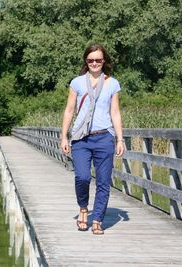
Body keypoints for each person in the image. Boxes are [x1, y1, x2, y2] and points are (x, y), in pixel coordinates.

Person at [60, 44, 125, 235]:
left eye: (98, 60)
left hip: (104, 137)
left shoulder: (112, 83)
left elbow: (115, 112)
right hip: (81, 138)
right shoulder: (77, 83)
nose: (94, 63)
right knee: (82, 176)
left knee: (103, 181)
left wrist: (120, 139)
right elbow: (69, 110)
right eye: (90, 60)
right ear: (86, 62)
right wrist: (64, 136)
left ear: (104, 61)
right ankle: (83, 208)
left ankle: (97, 219)